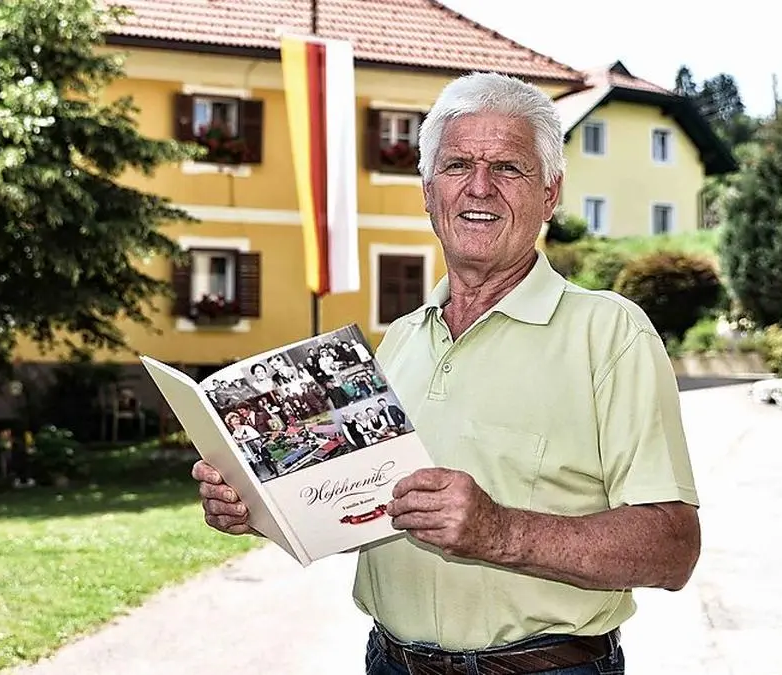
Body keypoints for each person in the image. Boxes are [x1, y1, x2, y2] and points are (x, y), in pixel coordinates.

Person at [191, 71, 700, 675]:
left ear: (550, 193)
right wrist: (258, 506)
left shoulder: (611, 333)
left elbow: (673, 548)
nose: (480, 188)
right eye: (457, 166)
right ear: (429, 192)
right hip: (390, 662)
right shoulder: (400, 339)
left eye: (508, 168)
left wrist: (499, 532)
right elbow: (358, 512)